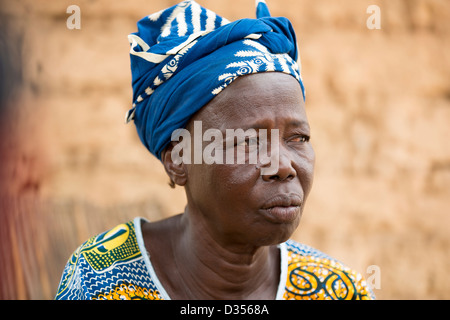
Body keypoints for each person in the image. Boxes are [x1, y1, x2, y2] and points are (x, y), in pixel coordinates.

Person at [55, 0, 375, 300]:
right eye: (248, 141)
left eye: (298, 138)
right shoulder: (100, 281)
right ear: (178, 160)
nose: (284, 166)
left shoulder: (337, 289)